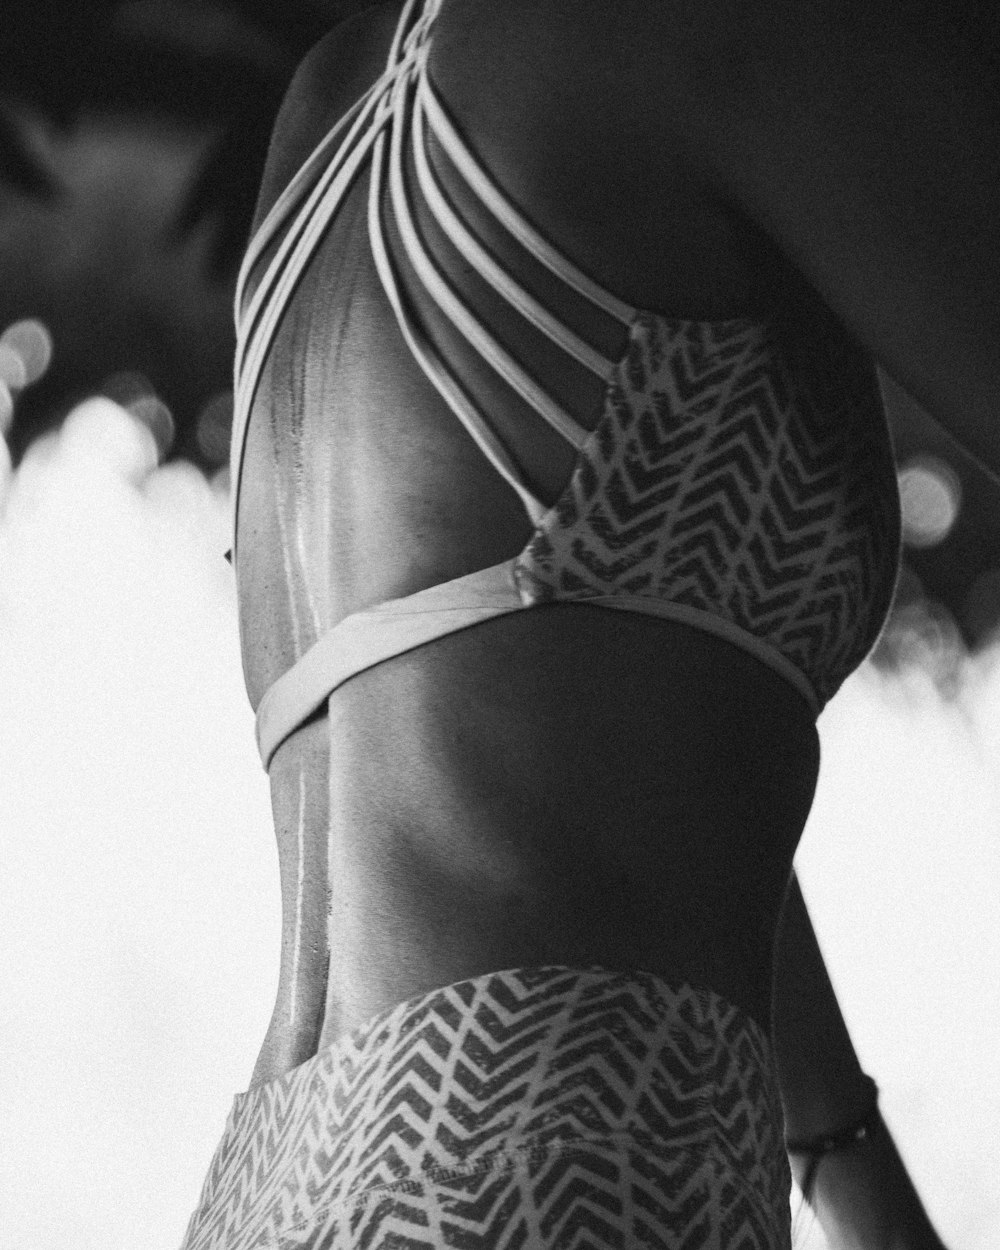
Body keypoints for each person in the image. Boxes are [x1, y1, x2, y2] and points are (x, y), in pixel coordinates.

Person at [181, 0, 996, 1245]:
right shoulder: (671, 29)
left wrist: (850, 1172)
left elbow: (602, 740)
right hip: (563, 1169)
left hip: (271, 1190)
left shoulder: (330, 108)